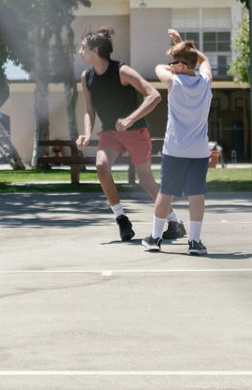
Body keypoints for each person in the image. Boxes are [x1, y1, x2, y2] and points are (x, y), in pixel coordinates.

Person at [76, 27, 185, 242]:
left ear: (95, 50)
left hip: (135, 131)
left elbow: (154, 96)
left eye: (83, 48)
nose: (79, 52)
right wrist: (87, 134)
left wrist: (130, 119)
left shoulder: (122, 71)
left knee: (145, 180)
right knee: (101, 167)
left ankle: (174, 222)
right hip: (110, 132)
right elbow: (89, 110)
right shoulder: (86, 77)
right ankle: (121, 219)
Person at [143, 30, 213, 256]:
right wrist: (184, 46)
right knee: (196, 194)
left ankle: (155, 238)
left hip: (175, 149)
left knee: (166, 193)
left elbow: (158, 69)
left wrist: (177, 54)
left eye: (173, 62)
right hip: (199, 151)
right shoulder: (206, 82)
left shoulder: (174, 82)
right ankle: (194, 241)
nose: (170, 65)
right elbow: (204, 61)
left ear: (181, 65)